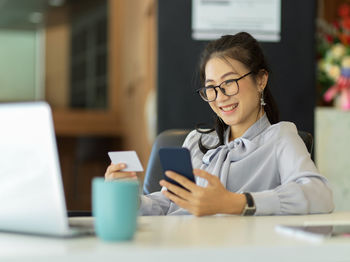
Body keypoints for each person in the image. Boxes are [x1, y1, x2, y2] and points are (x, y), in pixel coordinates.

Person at [105, 32, 334, 216]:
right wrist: (127, 198)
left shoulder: (281, 137)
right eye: (211, 87)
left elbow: (320, 195)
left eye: (230, 82)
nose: (220, 96)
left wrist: (235, 203)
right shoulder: (197, 141)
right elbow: (169, 203)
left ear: (261, 80)